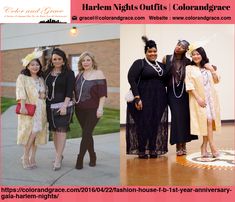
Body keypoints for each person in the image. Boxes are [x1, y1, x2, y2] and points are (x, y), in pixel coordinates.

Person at [126, 36, 169, 159]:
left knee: (155, 124)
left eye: (154, 51)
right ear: (145, 52)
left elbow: (167, 79)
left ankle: (152, 148)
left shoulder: (161, 65)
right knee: (143, 124)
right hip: (144, 98)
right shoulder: (140, 63)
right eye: (150, 51)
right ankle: (141, 149)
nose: (153, 53)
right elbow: (131, 79)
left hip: (159, 99)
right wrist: (137, 98)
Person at [162, 40, 198, 156]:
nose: (178, 48)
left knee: (185, 118)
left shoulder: (188, 62)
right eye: (178, 45)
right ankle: (178, 145)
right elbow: (160, 74)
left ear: (186, 50)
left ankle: (184, 145)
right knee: (177, 117)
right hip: (172, 92)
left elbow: (198, 68)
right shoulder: (166, 58)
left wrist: (210, 67)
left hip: (184, 92)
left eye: (182, 47)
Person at [185, 47, 221, 158]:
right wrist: (198, 98)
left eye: (198, 54)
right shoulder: (189, 68)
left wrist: (212, 70)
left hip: (210, 99)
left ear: (202, 55)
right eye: (193, 54)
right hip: (199, 99)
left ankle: (204, 146)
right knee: (207, 121)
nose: (196, 56)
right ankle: (212, 145)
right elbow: (189, 84)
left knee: (209, 121)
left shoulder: (208, 67)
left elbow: (217, 80)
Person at [74, 51, 107, 169]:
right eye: (83, 60)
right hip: (79, 110)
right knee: (87, 134)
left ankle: (80, 159)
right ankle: (92, 156)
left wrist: (100, 108)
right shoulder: (79, 75)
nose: (86, 62)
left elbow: (102, 94)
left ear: (92, 61)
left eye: (88, 60)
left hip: (93, 110)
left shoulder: (99, 73)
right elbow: (75, 92)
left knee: (86, 133)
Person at [44, 48, 75, 170]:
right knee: (54, 132)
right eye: (54, 59)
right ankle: (59, 155)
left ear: (63, 60)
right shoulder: (46, 72)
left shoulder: (69, 73)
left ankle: (57, 158)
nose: (56, 61)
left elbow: (69, 91)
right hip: (49, 107)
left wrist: (64, 106)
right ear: (51, 60)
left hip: (63, 106)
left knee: (61, 132)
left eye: (59, 59)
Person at [16, 50, 48, 169]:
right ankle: (25, 156)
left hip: (40, 109)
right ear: (27, 66)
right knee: (31, 133)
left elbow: (44, 93)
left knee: (37, 134)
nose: (35, 67)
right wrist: (23, 106)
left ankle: (33, 157)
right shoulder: (23, 77)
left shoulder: (41, 79)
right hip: (29, 110)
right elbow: (21, 92)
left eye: (37, 64)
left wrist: (43, 95)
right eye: (32, 64)